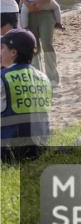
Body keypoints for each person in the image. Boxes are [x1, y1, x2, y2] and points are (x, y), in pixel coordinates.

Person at [1, 28, 51, 163]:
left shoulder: (3, 78)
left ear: (13, 53)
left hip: (9, 152)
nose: (0, 52)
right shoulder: (43, 77)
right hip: (40, 148)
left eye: (2, 48)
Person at [19, 0, 60, 85]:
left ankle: (52, 77)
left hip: (46, 11)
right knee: (34, 45)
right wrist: (28, 4)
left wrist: (40, 3)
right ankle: (37, 77)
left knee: (47, 44)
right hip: (31, 10)